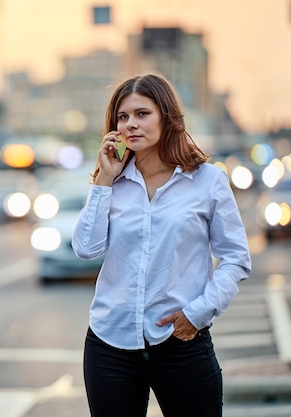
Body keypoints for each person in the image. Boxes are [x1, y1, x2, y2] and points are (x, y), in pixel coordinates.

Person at [71, 73, 251, 417]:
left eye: (142, 114)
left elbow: (235, 258)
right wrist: (104, 179)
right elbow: (86, 248)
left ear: (166, 117)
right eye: (122, 117)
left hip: (180, 341)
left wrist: (198, 313)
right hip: (110, 343)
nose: (130, 125)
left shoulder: (207, 181)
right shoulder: (114, 182)